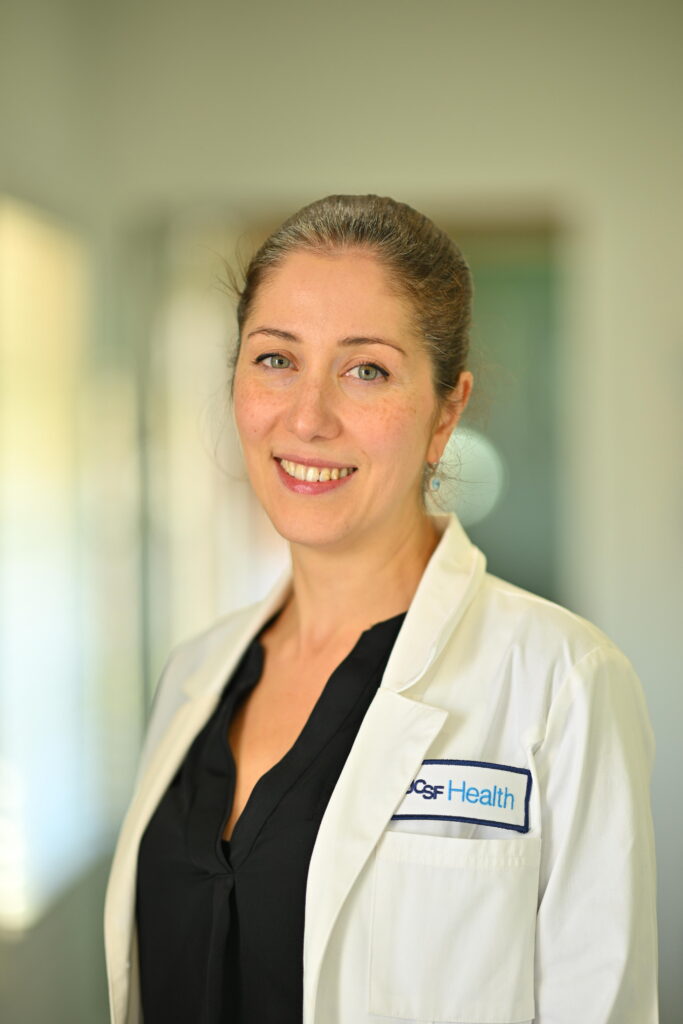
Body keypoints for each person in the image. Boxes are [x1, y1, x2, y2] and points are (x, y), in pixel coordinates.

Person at [104, 194, 658, 1024]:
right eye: (275, 359)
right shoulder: (196, 673)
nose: (307, 417)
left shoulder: (563, 682)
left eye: (365, 370)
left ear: (444, 412)